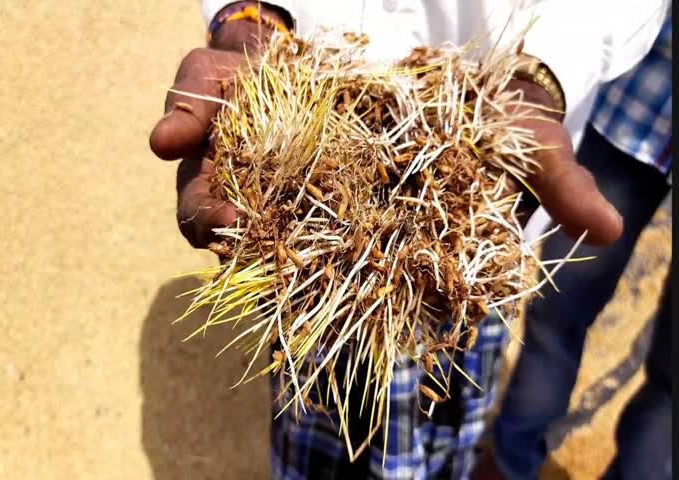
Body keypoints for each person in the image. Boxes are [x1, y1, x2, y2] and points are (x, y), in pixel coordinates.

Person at [148, 1, 667, 478]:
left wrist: (540, 74)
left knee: (446, 426)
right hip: (314, 283)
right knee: (313, 425)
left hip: (472, 230)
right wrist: (250, 18)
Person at [487, 16, 672, 480]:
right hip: (631, 119)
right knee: (554, 315)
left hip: (628, 120)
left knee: (670, 384)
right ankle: (509, 464)